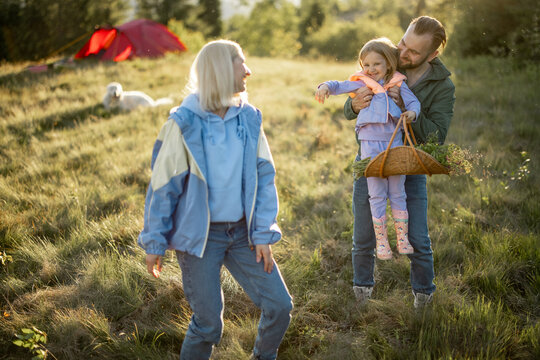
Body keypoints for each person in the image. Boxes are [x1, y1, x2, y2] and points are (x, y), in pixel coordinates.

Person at [138, 39, 293, 360]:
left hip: (243, 235)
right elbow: (163, 187)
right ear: (222, 69)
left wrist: (263, 232)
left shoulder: (248, 118)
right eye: (242, 63)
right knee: (209, 325)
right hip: (199, 239)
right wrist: (154, 241)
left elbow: (265, 176)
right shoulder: (182, 123)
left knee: (280, 305)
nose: (249, 71)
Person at [343, 16, 455, 309]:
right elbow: (354, 90)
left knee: (417, 235)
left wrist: (404, 106)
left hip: (410, 164)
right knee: (363, 234)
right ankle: (361, 295)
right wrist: (352, 105)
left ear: (432, 55)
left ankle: (424, 297)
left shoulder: (442, 87)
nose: (403, 54)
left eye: (413, 52)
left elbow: (437, 135)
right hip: (370, 161)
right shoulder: (387, 59)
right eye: (403, 43)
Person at [315, 37, 420, 260]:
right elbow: (339, 85)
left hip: (394, 143)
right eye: (366, 65)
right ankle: (382, 242)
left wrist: (411, 113)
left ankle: (402, 239)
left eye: (377, 64)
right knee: (377, 194)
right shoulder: (362, 83)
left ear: (388, 65)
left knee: (398, 192)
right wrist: (324, 86)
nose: (371, 69)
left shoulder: (398, 84)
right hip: (370, 144)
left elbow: (413, 103)